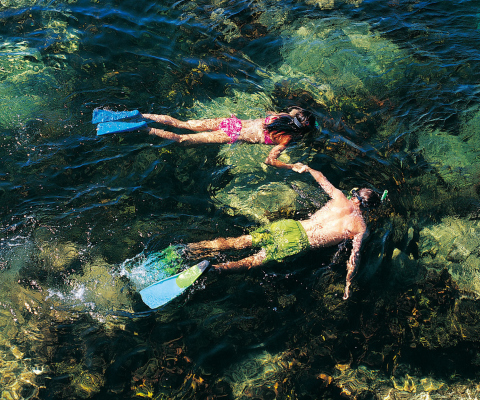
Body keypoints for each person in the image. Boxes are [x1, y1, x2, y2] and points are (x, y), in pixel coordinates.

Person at [184, 164, 382, 300]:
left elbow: (320, 176)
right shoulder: (360, 227)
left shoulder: (339, 196)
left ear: (355, 195)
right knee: (253, 261)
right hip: (297, 243)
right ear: (368, 208)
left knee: (241, 240)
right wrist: (348, 282)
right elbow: (353, 257)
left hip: (289, 226)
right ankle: (215, 269)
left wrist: (307, 168)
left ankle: (192, 247)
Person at [141, 106, 316, 169]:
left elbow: (270, 112)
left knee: (182, 123)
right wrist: (291, 166)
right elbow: (270, 160)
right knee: (180, 139)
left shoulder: (281, 116)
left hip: (231, 122)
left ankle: (144, 116)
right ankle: (146, 130)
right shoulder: (286, 139)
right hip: (232, 134)